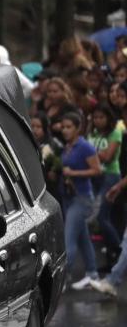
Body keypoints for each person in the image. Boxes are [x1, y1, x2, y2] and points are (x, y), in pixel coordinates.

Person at [59, 112, 102, 289]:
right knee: (84, 239)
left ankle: (60, 279)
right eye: (63, 127)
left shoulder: (85, 147)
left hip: (82, 199)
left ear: (78, 128)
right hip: (69, 197)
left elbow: (97, 170)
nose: (65, 130)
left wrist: (73, 173)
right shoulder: (68, 147)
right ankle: (92, 275)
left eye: (69, 127)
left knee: (68, 242)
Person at [87, 105, 123, 264]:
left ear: (108, 118)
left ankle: (120, 249)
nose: (98, 120)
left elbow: (108, 157)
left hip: (110, 176)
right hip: (95, 177)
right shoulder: (93, 133)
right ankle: (112, 254)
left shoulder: (115, 133)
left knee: (102, 216)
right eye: (95, 117)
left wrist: (92, 151)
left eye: (101, 117)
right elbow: (87, 154)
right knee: (95, 217)